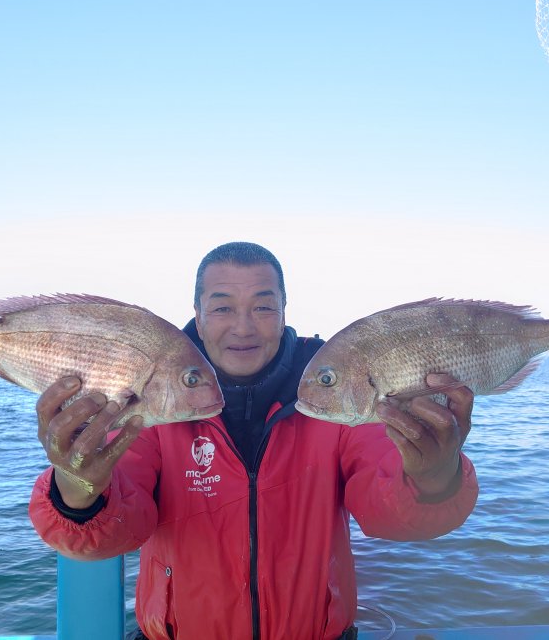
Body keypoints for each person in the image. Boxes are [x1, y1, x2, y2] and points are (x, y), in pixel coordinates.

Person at [29, 242, 479, 640]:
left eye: (263, 307)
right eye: (222, 308)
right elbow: (115, 533)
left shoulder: (339, 395)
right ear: (198, 315)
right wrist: (77, 489)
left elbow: (392, 516)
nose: (243, 327)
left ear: (284, 312)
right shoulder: (153, 400)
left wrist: (434, 475)